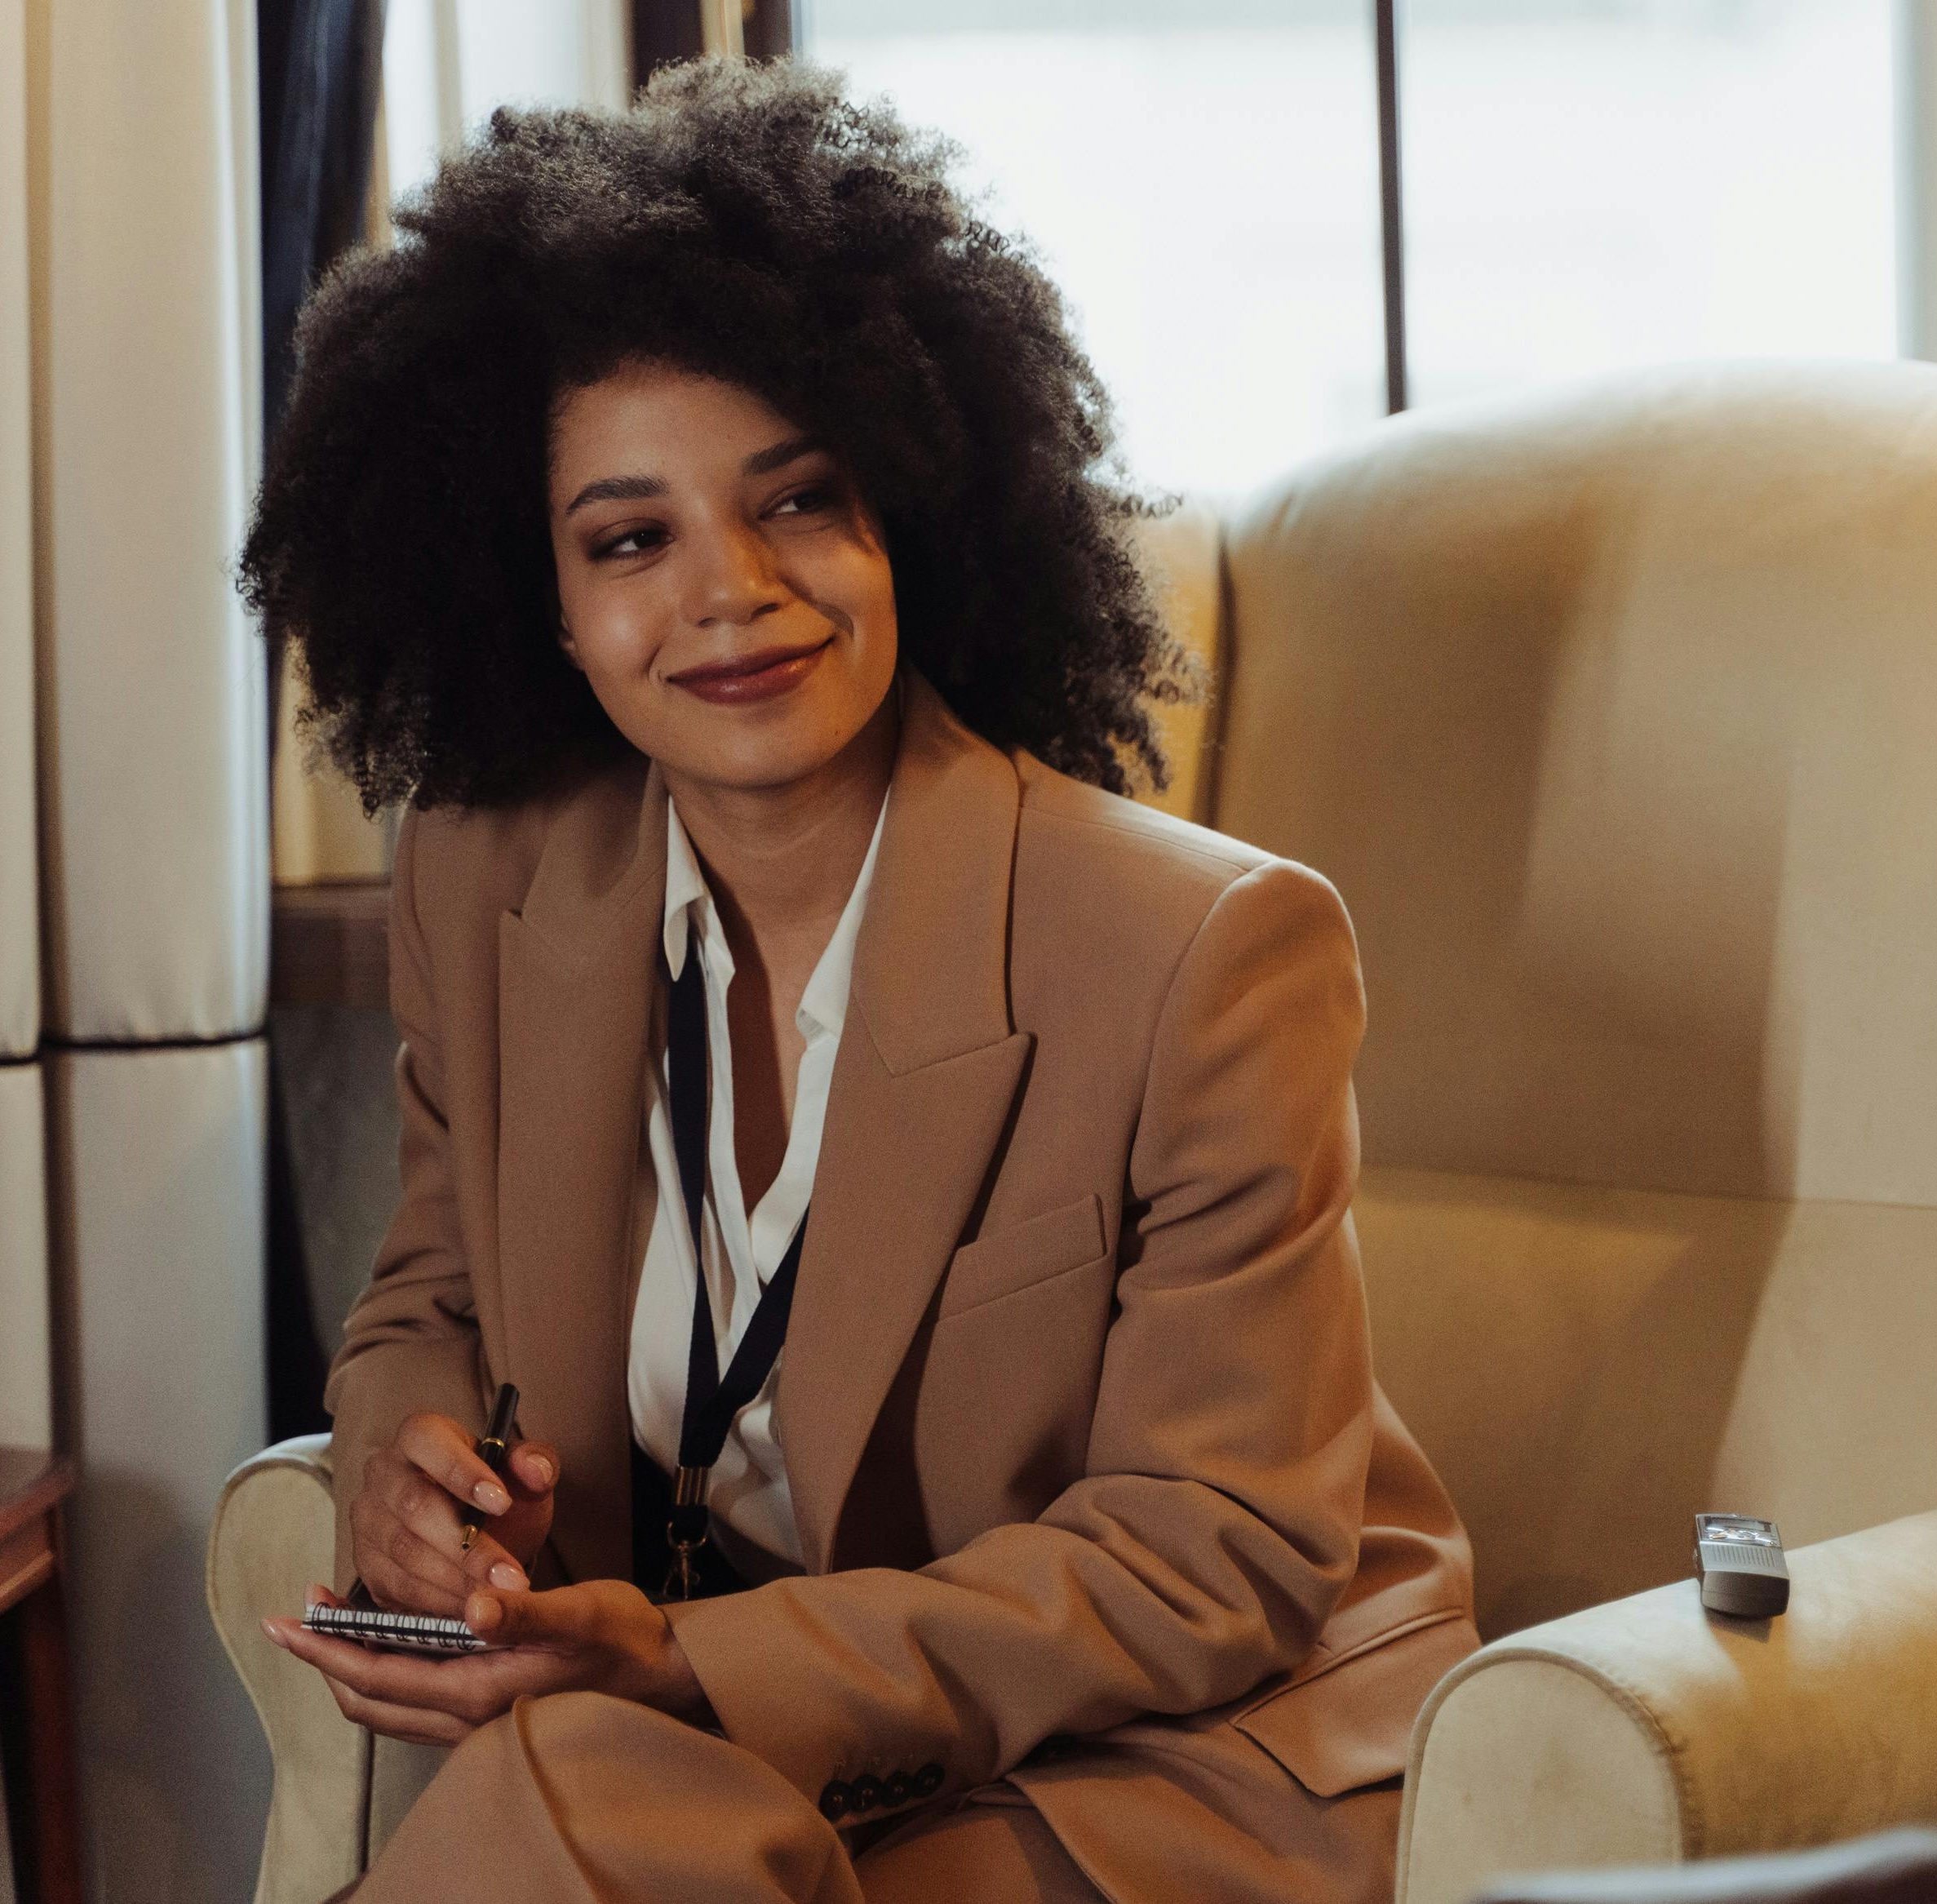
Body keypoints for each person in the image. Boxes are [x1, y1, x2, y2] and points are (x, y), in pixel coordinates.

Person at [242, 57, 1476, 1904]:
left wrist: (679, 1664)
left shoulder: (1205, 949)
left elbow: (1213, 1553)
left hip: (1151, 1749)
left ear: (915, 511)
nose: (729, 591)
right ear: (545, 607)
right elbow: (432, 1287)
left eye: (799, 500)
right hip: (687, 1740)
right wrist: (404, 1480)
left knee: (582, 1797)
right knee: (596, 1796)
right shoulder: (487, 879)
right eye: (630, 538)